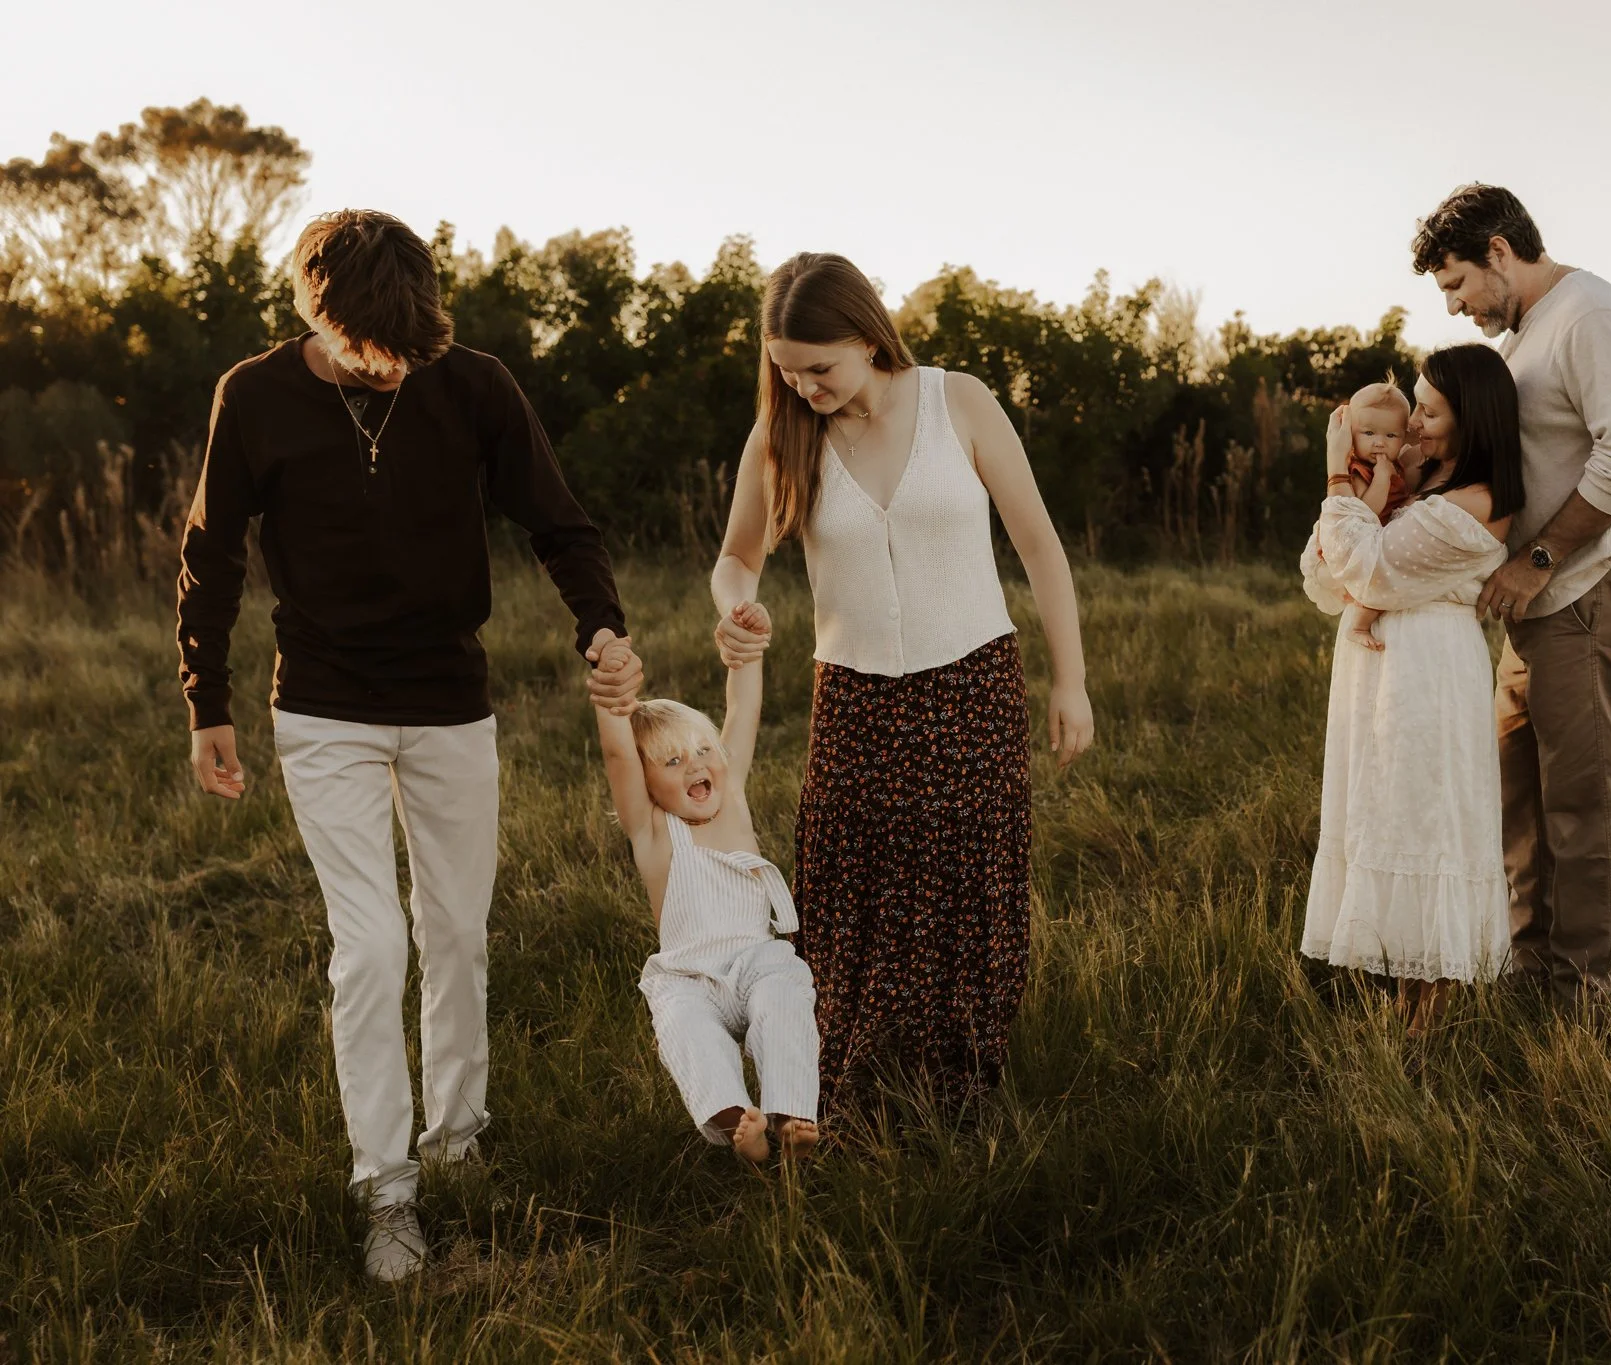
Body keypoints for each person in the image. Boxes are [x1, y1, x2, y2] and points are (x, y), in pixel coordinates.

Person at [175, 209, 640, 1282]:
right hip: (325, 707)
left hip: (449, 701)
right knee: (372, 947)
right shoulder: (252, 395)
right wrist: (210, 704)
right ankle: (387, 1193)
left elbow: (557, 522)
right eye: (368, 354)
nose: (390, 374)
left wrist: (601, 626)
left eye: (407, 355)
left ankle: (458, 1139)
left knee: (457, 937)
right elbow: (211, 557)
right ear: (317, 315)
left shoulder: (471, 382)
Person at [709, 252, 1094, 1119]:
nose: (804, 386)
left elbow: (1039, 546)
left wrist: (1071, 681)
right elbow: (736, 558)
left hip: (973, 682)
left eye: (820, 368)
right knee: (854, 892)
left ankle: (959, 1079)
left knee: (965, 879)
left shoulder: (960, 401)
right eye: (787, 370)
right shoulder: (782, 434)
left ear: (867, 337)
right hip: (854, 695)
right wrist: (738, 604)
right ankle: (853, 1073)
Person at [1412, 184, 1611, 1014]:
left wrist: (1536, 557)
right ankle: (1533, 979)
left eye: (1457, 285)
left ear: (1498, 250)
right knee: (1519, 797)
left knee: (1585, 804)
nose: (1455, 307)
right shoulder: (1529, 335)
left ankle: (1596, 1012)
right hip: (1537, 601)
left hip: (1594, 587)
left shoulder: (1590, 314)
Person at [1299, 344, 1523, 1036]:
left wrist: (1339, 474)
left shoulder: (1479, 502)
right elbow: (1323, 577)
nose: (1416, 423)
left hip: (1428, 673)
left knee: (1426, 821)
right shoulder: (1417, 483)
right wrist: (1356, 500)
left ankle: (1429, 1021)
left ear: (1472, 418)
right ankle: (1406, 1009)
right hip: (1378, 674)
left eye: (1429, 410)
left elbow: (1362, 570)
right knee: (1388, 816)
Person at [590, 606, 820, 1164]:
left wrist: (750, 648)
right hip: (689, 974)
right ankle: (739, 1124)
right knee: (683, 1029)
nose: (695, 765)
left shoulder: (731, 798)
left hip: (755, 958)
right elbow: (619, 753)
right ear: (647, 787)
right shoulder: (651, 830)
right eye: (672, 761)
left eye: (702, 750)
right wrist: (613, 702)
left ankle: (792, 1116)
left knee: (786, 992)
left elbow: (743, 709)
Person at [1337, 377, 1415, 650]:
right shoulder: (1359, 471)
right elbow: (1366, 512)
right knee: (1380, 577)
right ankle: (1358, 626)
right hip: (1362, 542)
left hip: (1383, 537)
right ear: (1352, 435)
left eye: (1390, 435)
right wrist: (1381, 479)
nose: (1379, 443)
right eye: (1368, 434)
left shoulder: (1397, 464)